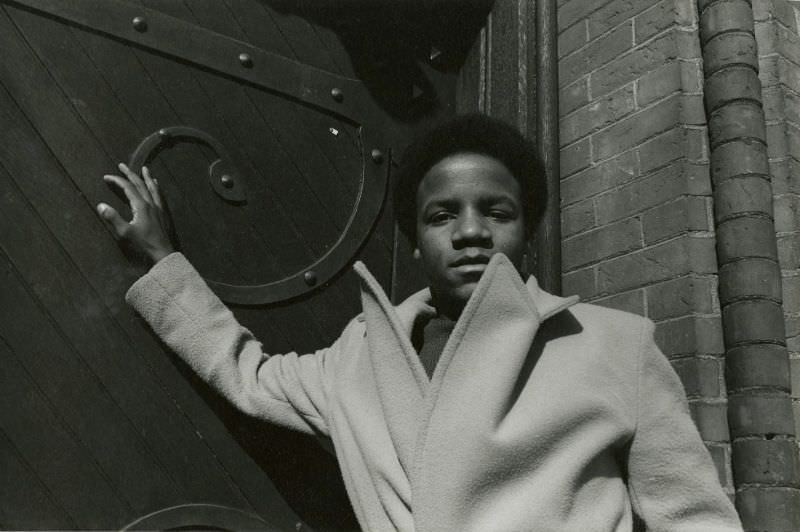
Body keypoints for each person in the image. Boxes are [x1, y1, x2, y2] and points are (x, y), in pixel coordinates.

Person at [97, 114, 742, 531]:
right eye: (441, 216)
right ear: (413, 240)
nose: (469, 232)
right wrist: (163, 261)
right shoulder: (359, 359)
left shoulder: (613, 346)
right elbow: (249, 374)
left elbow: (695, 519)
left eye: (497, 212)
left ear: (529, 232)